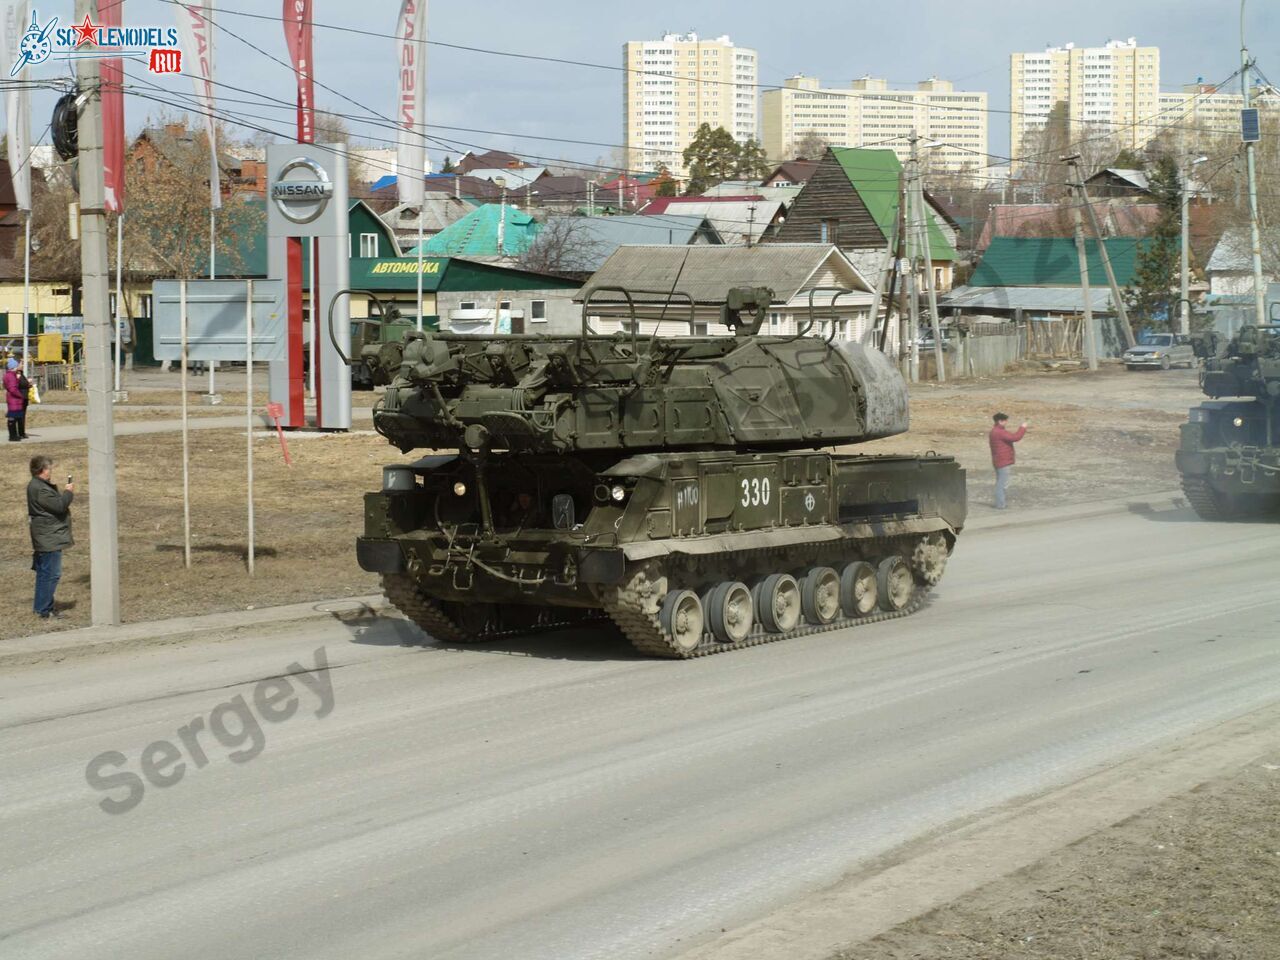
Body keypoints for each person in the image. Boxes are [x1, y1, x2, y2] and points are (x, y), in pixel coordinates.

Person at [28, 455, 74, 619]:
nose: (51, 472)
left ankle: (41, 607)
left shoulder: (37, 485)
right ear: (42, 470)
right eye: (49, 469)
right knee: (51, 574)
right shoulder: (40, 489)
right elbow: (60, 506)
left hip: (45, 535)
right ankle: (44, 610)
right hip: (48, 537)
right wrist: (68, 492)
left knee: (44, 573)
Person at [989, 412, 1028, 510]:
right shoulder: (999, 432)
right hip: (1003, 461)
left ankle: (1000, 503)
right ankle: (1000, 504)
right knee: (1002, 484)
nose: (1007, 422)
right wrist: (1023, 428)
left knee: (1000, 482)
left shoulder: (995, 431)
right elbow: (1015, 437)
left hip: (998, 460)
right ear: (1000, 421)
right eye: (1005, 420)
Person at [4, 358, 22, 442]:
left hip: (12, 399)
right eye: (16, 365)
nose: (18, 367)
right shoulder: (11, 376)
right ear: (13, 367)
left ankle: (14, 435)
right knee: (12, 418)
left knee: (13, 418)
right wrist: (20, 395)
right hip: (14, 400)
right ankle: (12, 436)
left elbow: (11, 385)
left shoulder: (8, 375)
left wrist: (17, 379)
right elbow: (13, 388)